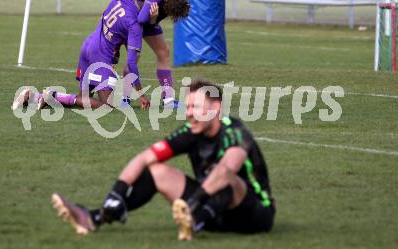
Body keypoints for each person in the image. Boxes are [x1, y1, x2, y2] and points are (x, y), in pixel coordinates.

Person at [51, 79, 275, 240]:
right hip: (212, 213)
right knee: (156, 170)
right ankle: (95, 218)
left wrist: (191, 205)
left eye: (194, 107)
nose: (188, 113)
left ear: (215, 108)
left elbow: (228, 168)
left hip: (254, 216)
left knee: (226, 176)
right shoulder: (191, 131)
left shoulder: (235, 131)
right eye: (187, 107)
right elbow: (144, 158)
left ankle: (194, 219)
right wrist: (116, 194)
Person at [12, 0, 151, 111]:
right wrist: (141, 94)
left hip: (88, 46)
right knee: (106, 107)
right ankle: (53, 95)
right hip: (101, 56)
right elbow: (132, 62)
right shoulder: (134, 24)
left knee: (83, 101)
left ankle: (33, 96)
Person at [121, 0, 190, 108]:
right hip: (132, 17)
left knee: (163, 53)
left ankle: (168, 100)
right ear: (165, 3)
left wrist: (153, 18)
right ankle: (125, 98)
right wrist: (153, 17)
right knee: (135, 57)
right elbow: (141, 19)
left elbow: (150, 20)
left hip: (150, 18)